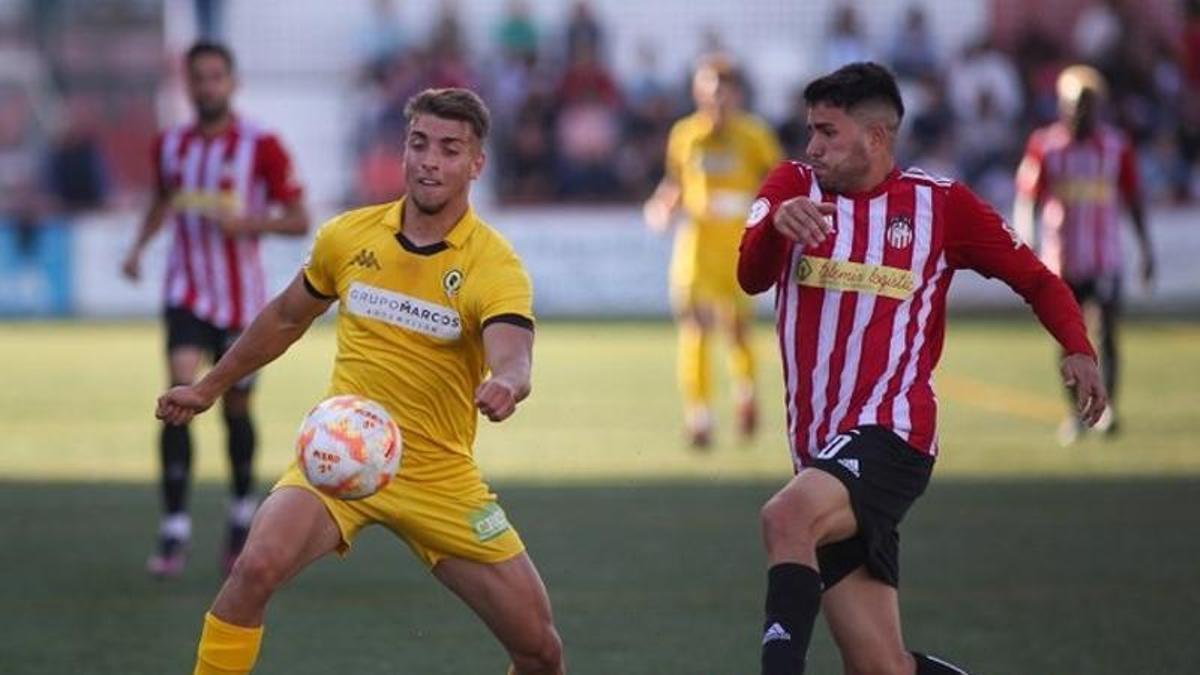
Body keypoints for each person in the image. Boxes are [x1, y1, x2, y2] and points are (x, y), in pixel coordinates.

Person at [157, 88, 564, 675]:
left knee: (540, 649)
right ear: (402, 150)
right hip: (338, 453)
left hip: (438, 474)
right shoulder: (347, 237)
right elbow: (286, 317)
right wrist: (208, 387)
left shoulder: (492, 264)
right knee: (254, 569)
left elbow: (513, 348)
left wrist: (509, 380)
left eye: (450, 149)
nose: (430, 160)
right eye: (419, 144)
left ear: (476, 164)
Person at [738, 62, 1106, 675]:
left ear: (876, 137)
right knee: (882, 667)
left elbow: (1037, 278)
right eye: (810, 131)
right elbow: (750, 276)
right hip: (819, 449)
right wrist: (776, 228)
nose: (812, 147)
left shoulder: (942, 207)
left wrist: (1078, 346)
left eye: (828, 132)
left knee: (785, 517)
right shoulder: (789, 185)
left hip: (894, 432)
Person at [121, 41, 310, 578]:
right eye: (198, 78)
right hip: (186, 290)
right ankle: (175, 524)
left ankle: (239, 510)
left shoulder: (262, 145)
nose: (207, 87)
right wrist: (138, 248)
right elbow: (162, 199)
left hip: (241, 301)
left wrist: (249, 224)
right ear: (187, 84)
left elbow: (300, 219)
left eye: (215, 78)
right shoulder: (171, 145)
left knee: (234, 407)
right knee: (179, 391)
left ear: (232, 82)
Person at [643, 54, 782, 447]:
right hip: (698, 246)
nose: (716, 99)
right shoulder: (685, 134)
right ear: (698, 92)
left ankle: (746, 393)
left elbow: (776, 183)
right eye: (708, 89)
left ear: (736, 95)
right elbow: (675, 182)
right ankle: (699, 416)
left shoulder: (754, 135)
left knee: (737, 331)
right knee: (696, 326)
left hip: (740, 246)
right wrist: (662, 206)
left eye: (723, 91)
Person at [1014, 64, 1155, 444]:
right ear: (1061, 106)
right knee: (1066, 339)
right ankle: (1076, 414)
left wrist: (1146, 250)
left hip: (1104, 257)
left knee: (1106, 332)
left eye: (1088, 106)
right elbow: (1028, 199)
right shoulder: (1045, 145)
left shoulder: (1116, 146)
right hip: (1061, 260)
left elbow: (1134, 199)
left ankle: (1108, 409)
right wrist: (1026, 243)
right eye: (1075, 105)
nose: (1081, 114)